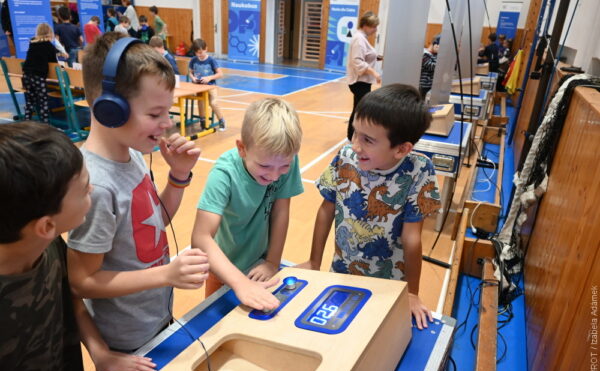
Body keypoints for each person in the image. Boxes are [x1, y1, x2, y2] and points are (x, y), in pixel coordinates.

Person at [67, 32, 209, 353]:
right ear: (110, 109)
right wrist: (166, 274)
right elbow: (82, 281)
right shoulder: (96, 187)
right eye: (154, 114)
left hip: (156, 319)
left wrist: (178, 176)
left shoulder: (131, 155)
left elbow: (154, 223)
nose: (166, 124)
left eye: (166, 113)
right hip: (126, 339)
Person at [0, 122, 158, 371]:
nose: (92, 190)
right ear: (47, 225)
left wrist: (100, 353)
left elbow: (71, 299)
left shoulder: (47, 246)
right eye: (85, 189)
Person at [298, 84, 441, 330]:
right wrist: (313, 261)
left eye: (368, 140)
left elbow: (412, 237)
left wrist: (412, 293)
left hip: (390, 285)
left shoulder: (420, 169)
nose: (356, 145)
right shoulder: (345, 157)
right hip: (340, 273)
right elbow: (326, 209)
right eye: (355, 133)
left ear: (402, 149)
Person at [191, 98, 304, 310]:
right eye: (264, 165)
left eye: (284, 166)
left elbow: (281, 211)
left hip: (260, 264)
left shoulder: (283, 160)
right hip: (223, 268)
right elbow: (200, 237)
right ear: (242, 148)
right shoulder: (224, 174)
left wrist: (272, 261)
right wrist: (239, 282)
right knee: (216, 324)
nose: (274, 175)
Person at [346, 11, 381, 141]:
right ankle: (352, 137)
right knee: (360, 111)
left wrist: (378, 57)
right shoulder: (359, 39)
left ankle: (352, 136)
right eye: (374, 26)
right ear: (366, 25)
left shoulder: (362, 38)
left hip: (363, 82)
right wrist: (374, 72)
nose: (375, 29)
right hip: (359, 82)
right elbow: (357, 61)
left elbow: (366, 55)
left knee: (358, 110)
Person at [22, 23, 59, 123]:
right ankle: (45, 124)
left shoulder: (32, 43)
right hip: (38, 76)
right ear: (50, 33)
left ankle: (26, 121)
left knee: (30, 100)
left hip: (26, 75)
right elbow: (54, 64)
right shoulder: (49, 46)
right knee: (43, 101)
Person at [188, 38, 226, 131]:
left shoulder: (211, 60)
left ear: (206, 49)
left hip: (211, 86)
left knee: (213, 103)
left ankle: (221, 120)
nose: (199, 55)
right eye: (197, 53)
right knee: (200, 102)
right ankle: (203, 121)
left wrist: (209, 78)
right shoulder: (193, 60)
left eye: (201, 52)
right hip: (199, 86)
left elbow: (220, 74)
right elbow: (190, 72)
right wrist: (193, 78)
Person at [419, 35, 440, 99]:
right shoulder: (424, 54)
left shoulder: (434, 55)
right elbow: (434, 67)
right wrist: (438, 54)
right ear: (435, 44)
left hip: (430, 85)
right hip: (423, 86)